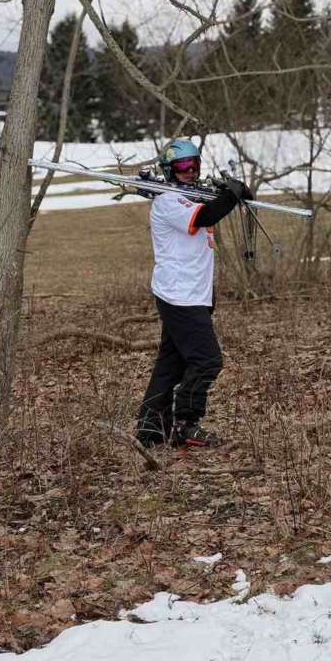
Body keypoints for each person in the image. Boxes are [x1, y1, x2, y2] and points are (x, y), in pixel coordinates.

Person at [135, 138, 252, 449]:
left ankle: (151, 429)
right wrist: (230, 196)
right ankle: (187, 423)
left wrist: (239, 194)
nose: (190, 171)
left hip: (193, 293)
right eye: (183, 166)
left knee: (171, 364)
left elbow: (213, 206)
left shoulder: (191, 196)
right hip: (179, 295)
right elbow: (206, 217)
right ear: (170, 170)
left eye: (195, 165)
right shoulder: (169, 201)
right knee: (207, 360)